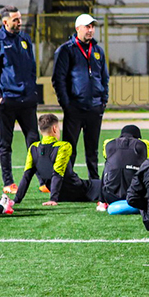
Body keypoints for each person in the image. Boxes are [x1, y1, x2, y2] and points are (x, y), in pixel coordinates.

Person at [0, 6, 40, 194]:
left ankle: (43, 181)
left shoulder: (25, 39)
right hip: (8, 101)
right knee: (5, 143)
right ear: (5, 22)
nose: (19, 22)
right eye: (15, 20)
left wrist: (32, 91)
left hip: (27, 100)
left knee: (34, 142)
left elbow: (32, 68)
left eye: (20, 18)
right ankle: (8, 182)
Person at [52, 13, 109, 180]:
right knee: (70, 148)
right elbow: (58, 79)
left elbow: (104, 78)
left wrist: (103, 100)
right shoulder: (65, 50)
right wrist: (66, 105)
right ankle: (67, 180)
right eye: (87, 26)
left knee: (93, 149)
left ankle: (94, 181)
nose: (90, 30)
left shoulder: (98, 50)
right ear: (77, 28)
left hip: (94, 107)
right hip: (74, 108)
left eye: (92, 27)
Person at [13, 114, 103, 206]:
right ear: (54, 129)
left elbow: (26, 176)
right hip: (79, 191)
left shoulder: (33, 148)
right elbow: (57, 174)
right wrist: (53, 199)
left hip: (59, 195)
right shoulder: (63, 146)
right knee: (106, 183)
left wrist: (16, 199)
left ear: (41, 131)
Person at [99, 125, 149, 205]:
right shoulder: (144, 144)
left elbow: (106, 156)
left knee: (108, 165)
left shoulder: (108, 143)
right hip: (136, 197)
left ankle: (102, 202)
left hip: (110, 197)